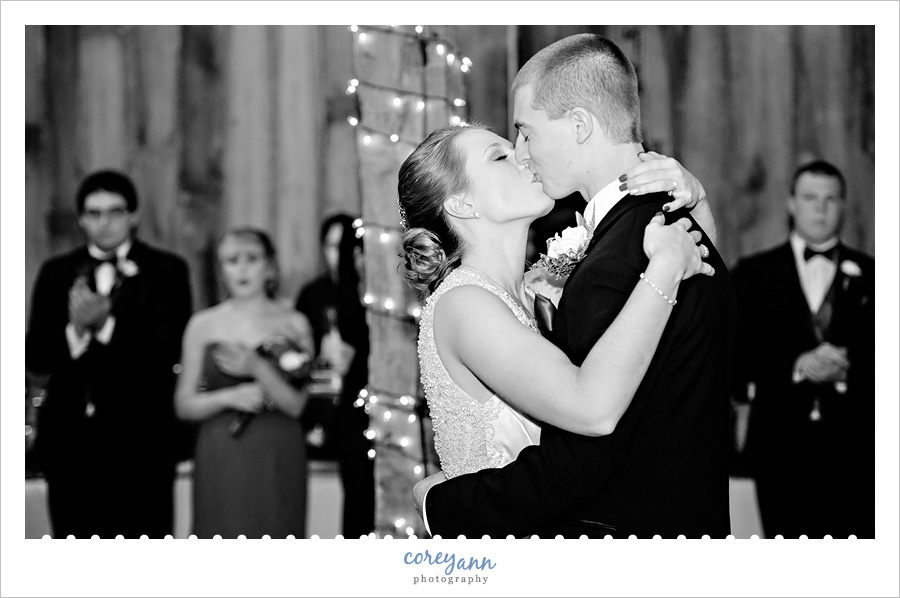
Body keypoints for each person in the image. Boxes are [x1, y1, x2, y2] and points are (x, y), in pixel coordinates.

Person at [411, 34, 735, 539]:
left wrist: (695, 205)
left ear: (579, 125)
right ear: (462, 205)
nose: (521, 155)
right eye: (501, 154)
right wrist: (447, 507)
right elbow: (589, 422)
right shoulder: (467, 303)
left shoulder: (561, 280)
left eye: (521, 134)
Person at [25, 169, 193, 538]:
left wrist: (106, 326)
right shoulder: (56, 273)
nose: (105, 223)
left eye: (115, 212)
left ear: (134, 216)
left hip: (141, 446)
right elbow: (35, 355)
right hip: (70, 447)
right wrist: (76, 331)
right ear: (82, 219)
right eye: (94, 213)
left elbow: (168, 351)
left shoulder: (166, 271)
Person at [732, 160, 874, 539]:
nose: (821, 208)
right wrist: (797, 366)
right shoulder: (752, 274)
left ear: (843, 205)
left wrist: (848, 371)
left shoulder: (876, 276)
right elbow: (733, 357)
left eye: (831, 199)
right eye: (810, 197)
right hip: (779, 450)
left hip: (859, 454)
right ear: (791, 204)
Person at [175, 228, 314, 538]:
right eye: (231, 260)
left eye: (251, 259)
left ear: (269, 266)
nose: (241, 268)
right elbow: (183, 405)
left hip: (276, 451)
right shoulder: (202, 325)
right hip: (222, 451)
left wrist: (257, 367)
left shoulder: (294, 323)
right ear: (221, 270)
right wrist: (229, 397)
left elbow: (297, 405)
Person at [295, 213, 375, 537]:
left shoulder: (374, 292)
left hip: (367, 408)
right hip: (325, 408)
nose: (339, 255)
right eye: (331, 246)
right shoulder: (313, 294)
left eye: (348, 248)